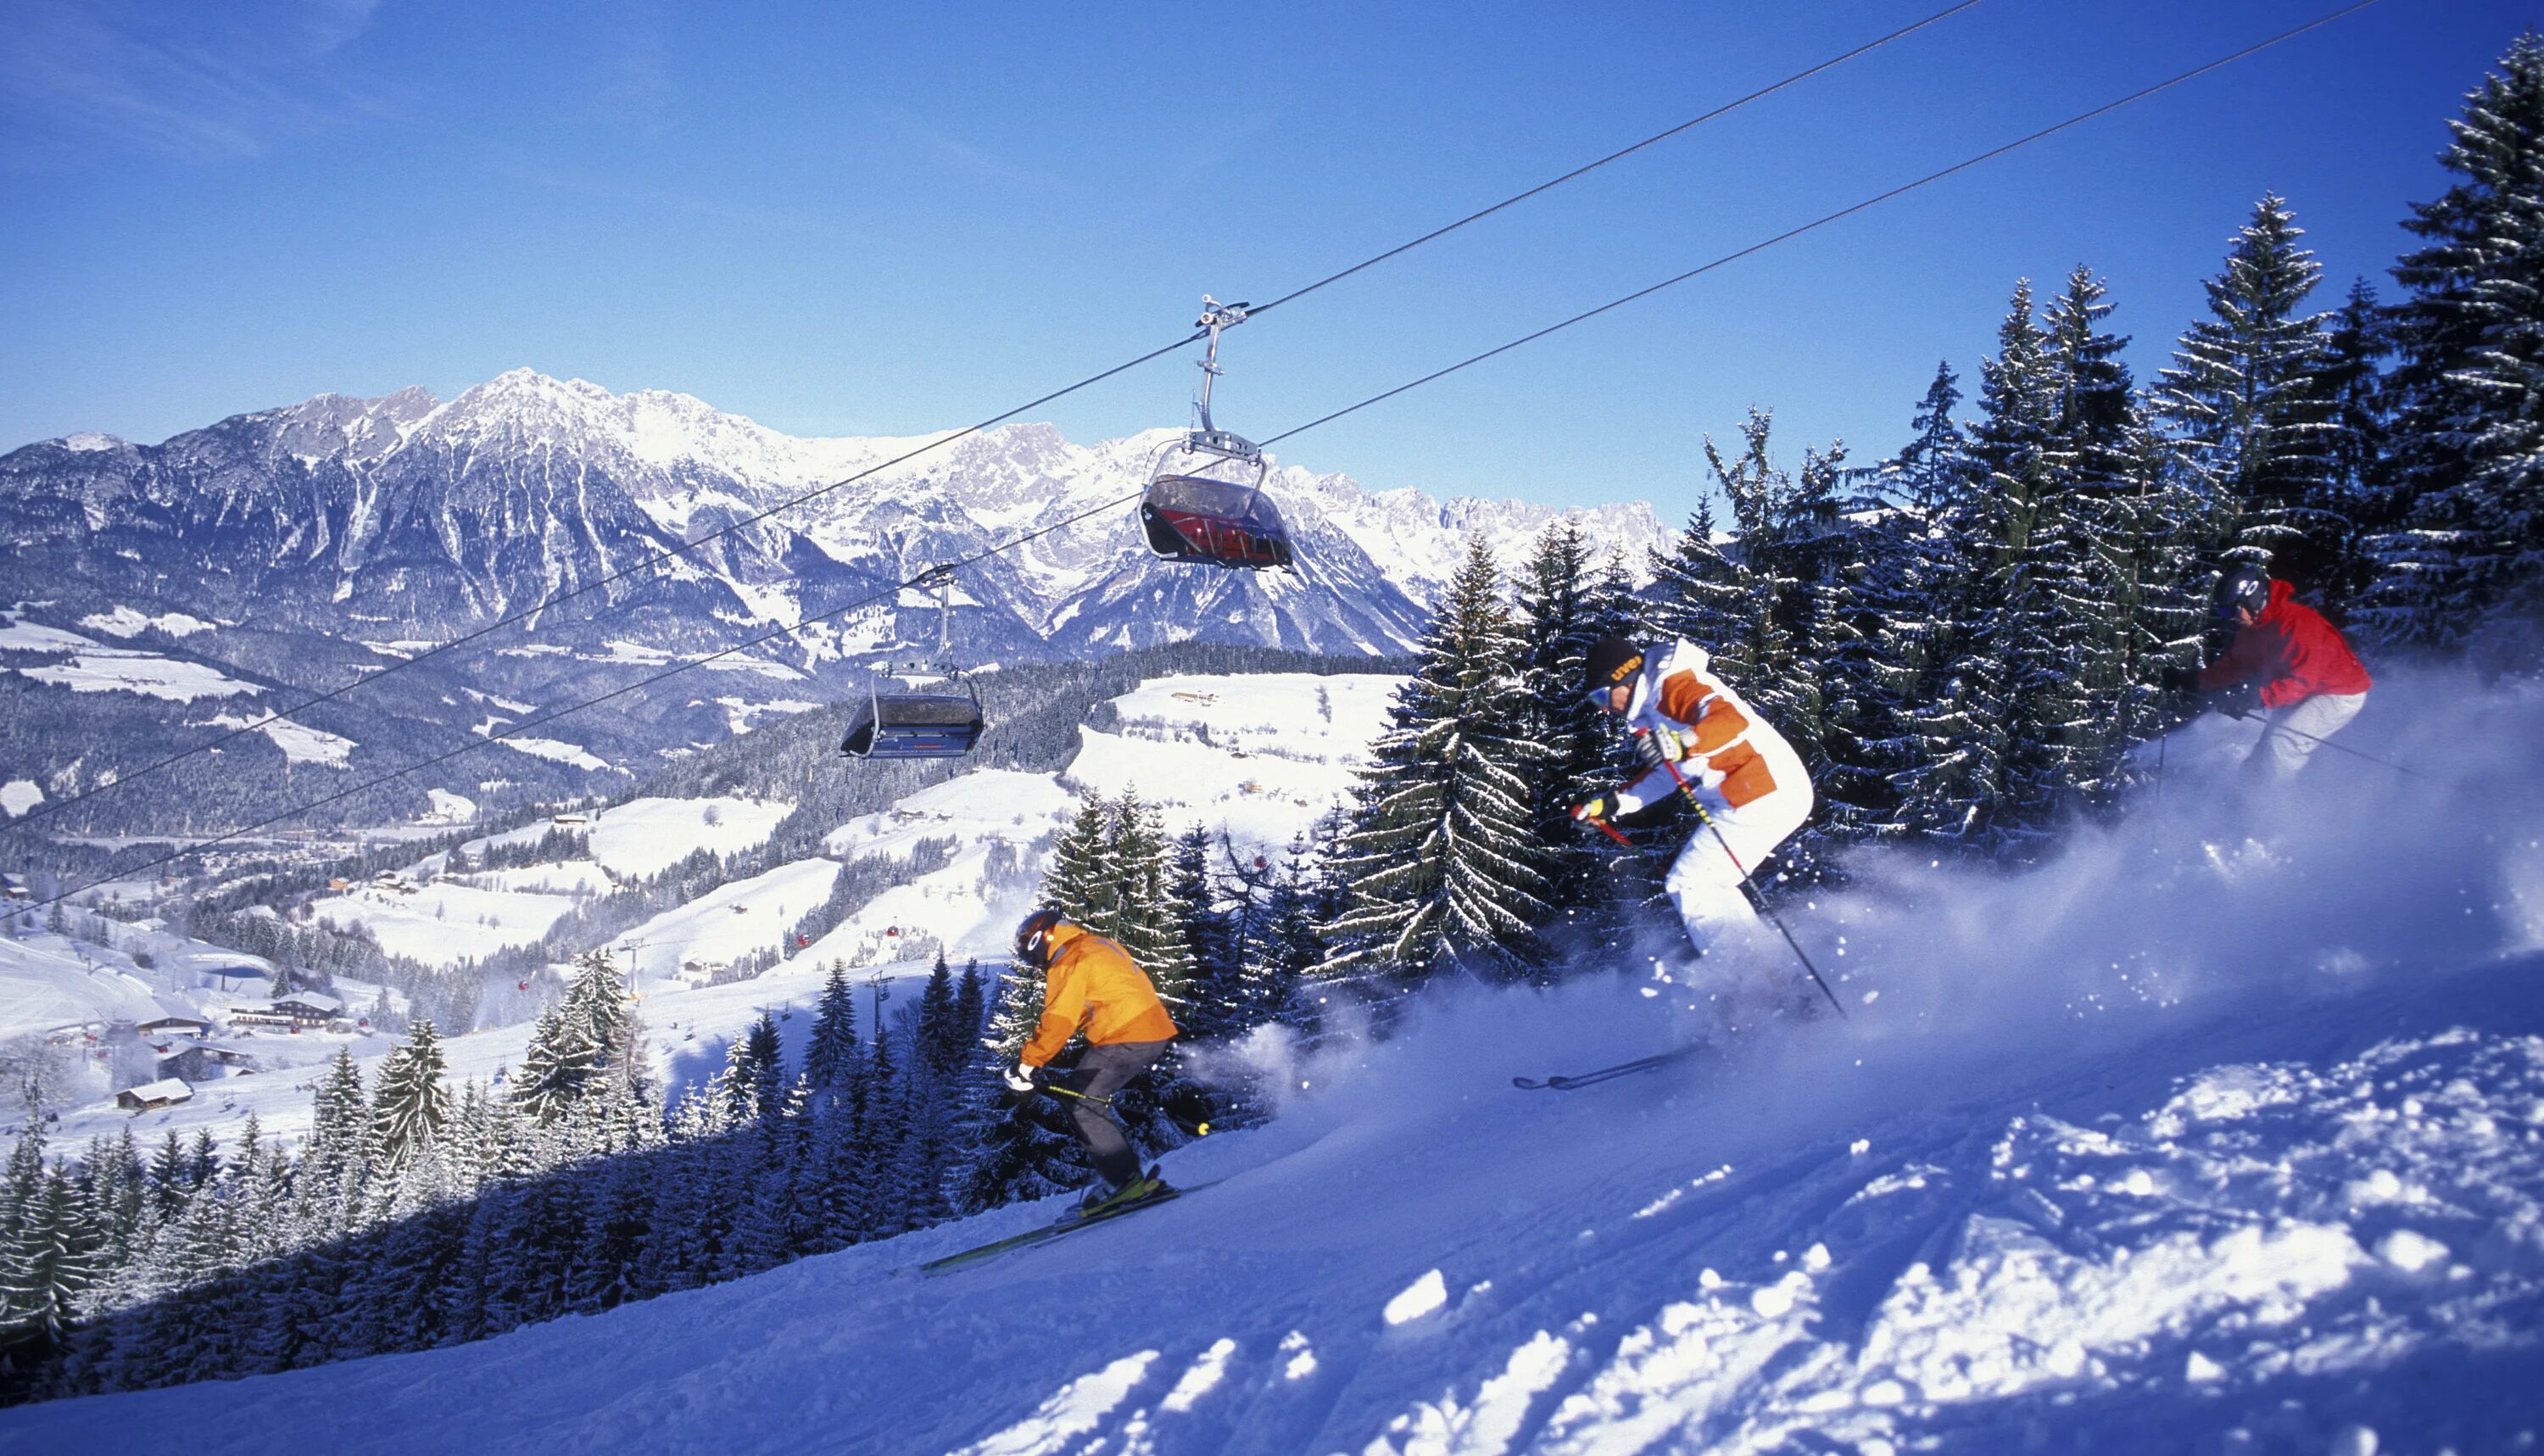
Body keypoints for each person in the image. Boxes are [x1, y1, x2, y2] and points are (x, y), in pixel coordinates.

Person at [1568, 635, 1815, 963]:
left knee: (1692, 882)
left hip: (1763, 790)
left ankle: (1755, 980)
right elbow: (1668, 773)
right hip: (1750, 795)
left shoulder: (1673, 686)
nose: (1603, 709)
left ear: (1623, 678)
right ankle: (1764, 975)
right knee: (1707, 883)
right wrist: (1612, 804)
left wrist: (1683, 743)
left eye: (1601, 697)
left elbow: (1730, 720)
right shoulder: (1651, 712)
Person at [1004, 907, 1180, 1218]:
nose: (1033, 965)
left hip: (1128, 1035)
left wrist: (1027, 1064)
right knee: (1083, 1096)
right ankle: (1124, 1178)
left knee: (1082, 1102)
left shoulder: (1070, 961)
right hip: (1149, 1030)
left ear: (1041, 940)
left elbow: (1058, 1020)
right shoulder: (1096, 944)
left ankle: (1125, 1183)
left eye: (1028, 954)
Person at [2163, 564, 2372, 780]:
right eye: (2222, 612)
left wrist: (2256, 698)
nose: (2230, 617)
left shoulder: (2298, 623)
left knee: (2281, 744)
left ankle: (2277, 809)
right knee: (2263, 752)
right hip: (2305, 691)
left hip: (2339, 693)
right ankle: (2245, 800)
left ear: (2252, 599)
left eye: (2231, 610)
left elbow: (2302, 681)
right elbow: (2236, 666)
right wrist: (2192, 680)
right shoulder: (2254, 630)